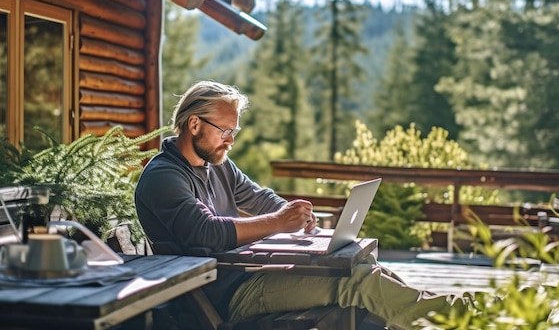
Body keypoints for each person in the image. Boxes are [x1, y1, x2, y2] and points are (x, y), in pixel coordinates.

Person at [134, 80, 468, 329]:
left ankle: (456, 313)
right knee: (355, 283)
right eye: (225, 131)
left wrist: (296, 216)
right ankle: (465, 318)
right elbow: (205, 232)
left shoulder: (216, 165)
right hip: (223, 297)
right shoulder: (164, 177)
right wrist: (279, 222)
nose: (231, 141)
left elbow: (258, 196)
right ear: (194, 125)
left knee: (370, 274)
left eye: (233, 131)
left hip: (248, 277)